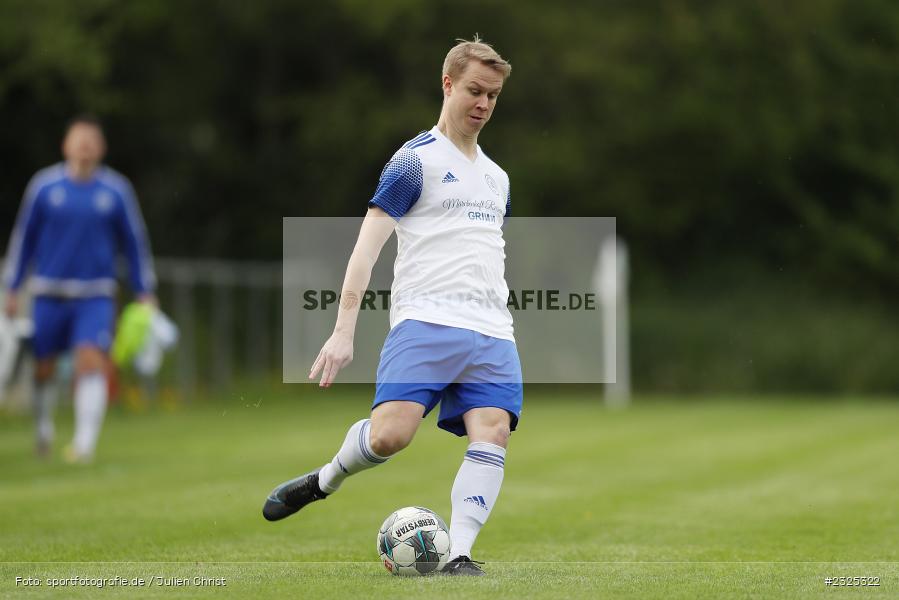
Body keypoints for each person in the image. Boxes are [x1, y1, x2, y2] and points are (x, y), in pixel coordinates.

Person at [263, 37, 519, 576]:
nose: (483, 104)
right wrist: (343, 330)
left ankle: (461, 554)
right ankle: (325, 479)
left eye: (493, 95)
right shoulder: (413, 161)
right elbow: (366, 247)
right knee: (389, 436)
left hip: (492, 329)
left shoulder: (498, 179)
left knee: (493, 429)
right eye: (475, 90)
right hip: (424, 322)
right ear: (447, 84)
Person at [2, 115, 157, 462]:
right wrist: (11, 287)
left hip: (95, 295)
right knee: (44, 367)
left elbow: (134, 243)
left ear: (101, 148)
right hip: (47, 292)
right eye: (79, 139)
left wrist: (144, 288)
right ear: (66, 145)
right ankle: (43, 430)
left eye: (91, 140)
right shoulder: (44, 187)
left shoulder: (116, 191)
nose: (85, 146)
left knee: (90, 361)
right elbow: (23, 240)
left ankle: (83, 446)